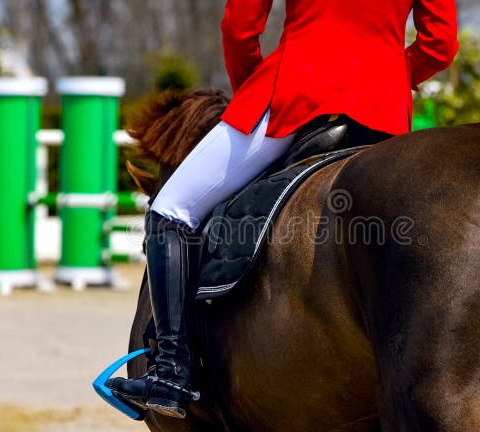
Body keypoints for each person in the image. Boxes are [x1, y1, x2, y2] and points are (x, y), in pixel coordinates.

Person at [110, 0, 459, 419]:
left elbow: (240, 26)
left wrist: (252, 88)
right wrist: (393, 72)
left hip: (296, 91)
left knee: (170, 210)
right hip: (383, 107)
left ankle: (170, 372)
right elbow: (440, 44)